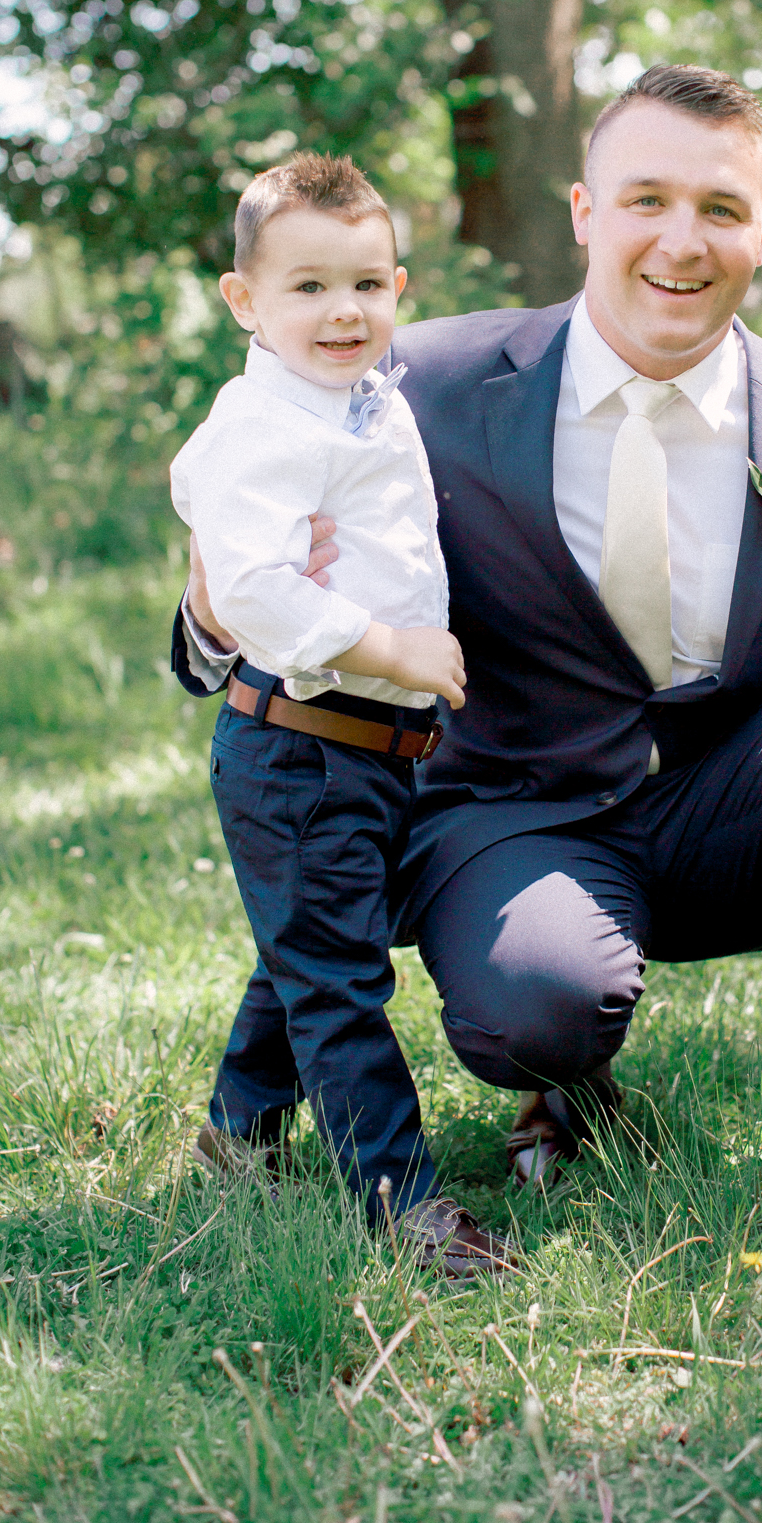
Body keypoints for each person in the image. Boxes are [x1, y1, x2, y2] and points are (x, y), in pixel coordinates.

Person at [179, 66, 762, 1233]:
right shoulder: (417, 383)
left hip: (726, 810)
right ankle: (562, 1074)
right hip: (509, 814)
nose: (679, 241)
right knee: (539, 1006)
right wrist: (213, 604)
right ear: (586, 213)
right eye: (644, 198)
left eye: (717, 207)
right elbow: (238, 582)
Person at [170, 151, 511, 1277]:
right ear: (243, 300)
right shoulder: (261, 424)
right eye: (306, 285)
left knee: (311, 944)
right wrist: (392, 646)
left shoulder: (363, 396)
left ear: (399, 287)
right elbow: (254, 587)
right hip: (302, 742)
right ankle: (401, 1202)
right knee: (336, 978)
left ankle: (238, 1131)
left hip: (370, 747)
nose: (341, 309)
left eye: (364, 283)